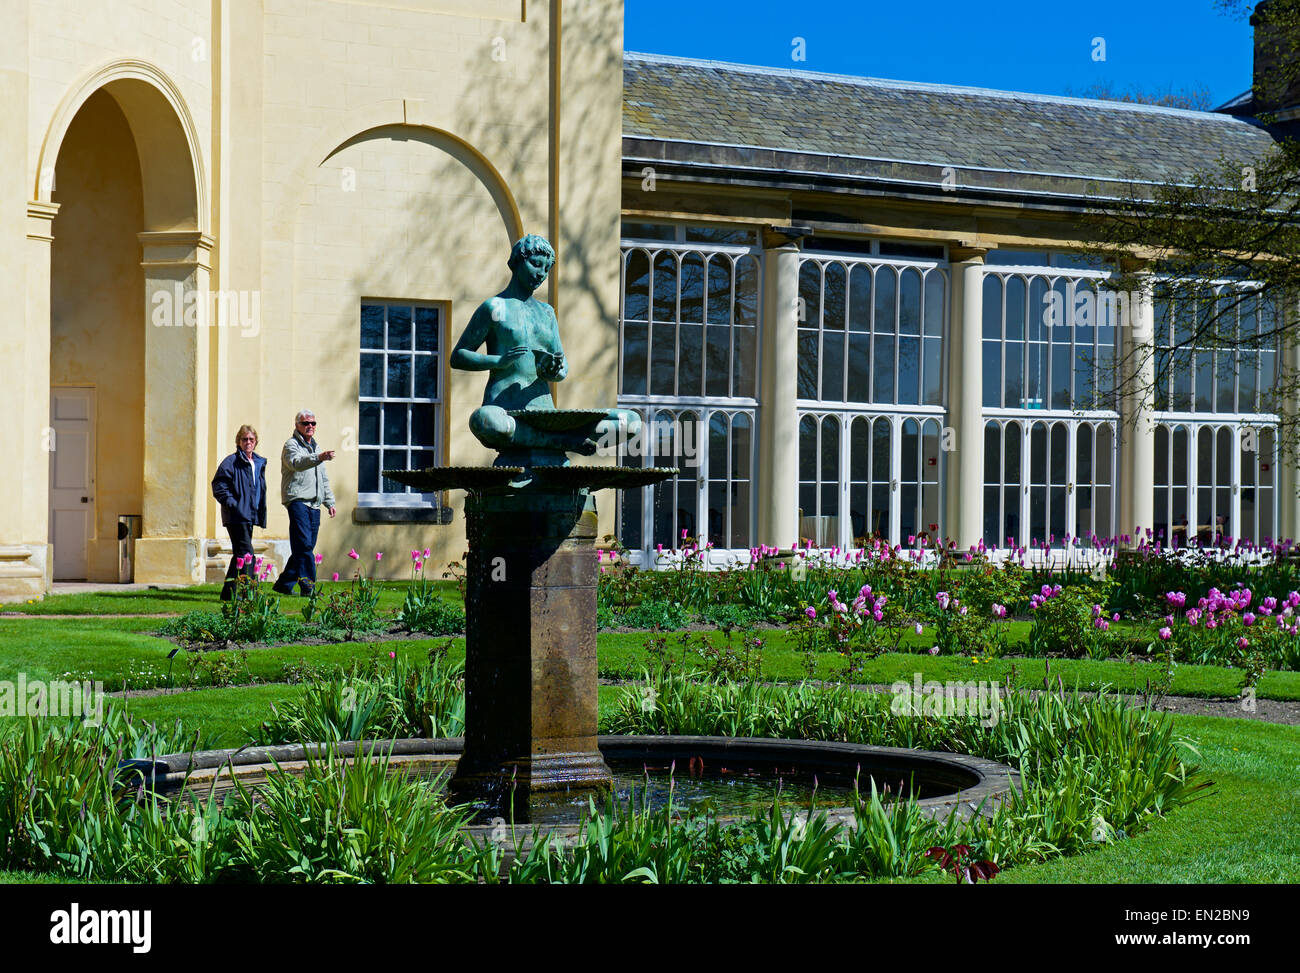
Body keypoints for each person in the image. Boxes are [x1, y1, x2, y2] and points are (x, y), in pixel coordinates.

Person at [450, 234, 639, 460]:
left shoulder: (547, 312)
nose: (541, 273)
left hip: (545, 411)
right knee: (484, 421)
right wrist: (498, 361)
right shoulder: (494, 307)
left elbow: (563, 369)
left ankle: (552, 438)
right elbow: (458, 356)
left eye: (546, 268)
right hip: (504, 410)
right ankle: (565, 442)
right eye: (536, 264)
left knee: (631, 422)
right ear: (517, 262)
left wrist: (554, 369)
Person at [272, 409, 336, 596]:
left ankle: (284, 583)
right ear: (297, 425)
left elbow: (323, 479)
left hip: (315, 503)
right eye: (305, 423)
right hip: (297, 500)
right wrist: (319, 457)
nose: (310, 426)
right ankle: (309, 587)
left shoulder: (316, 447)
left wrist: (329, 502)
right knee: (305, 544)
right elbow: (296, 463)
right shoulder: (291, 445)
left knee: (304, 546)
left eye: (313, 423)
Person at [211, 424, 268, 601]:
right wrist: (233, 504)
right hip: (236, 516)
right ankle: (250, 591)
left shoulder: (257, 462)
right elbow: (219, 486)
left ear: (256, 441)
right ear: (238, 442)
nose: (248, 442)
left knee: (240, 554)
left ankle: (229, 593)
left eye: (251, 439)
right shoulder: (231, 462)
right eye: (244, 439)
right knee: (247, 552)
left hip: (249, 515)